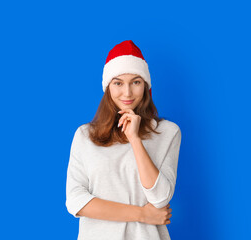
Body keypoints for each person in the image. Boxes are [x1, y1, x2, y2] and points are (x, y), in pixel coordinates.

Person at [65, 40, 182, 240]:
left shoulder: (167, 132)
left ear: (145, 85)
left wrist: (135, 139)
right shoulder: (85, 135)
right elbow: (76, 201)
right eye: (118, 83)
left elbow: (161, 197)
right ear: (108, 87)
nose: (127, 93)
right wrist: (142, 214)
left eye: (136, 82)